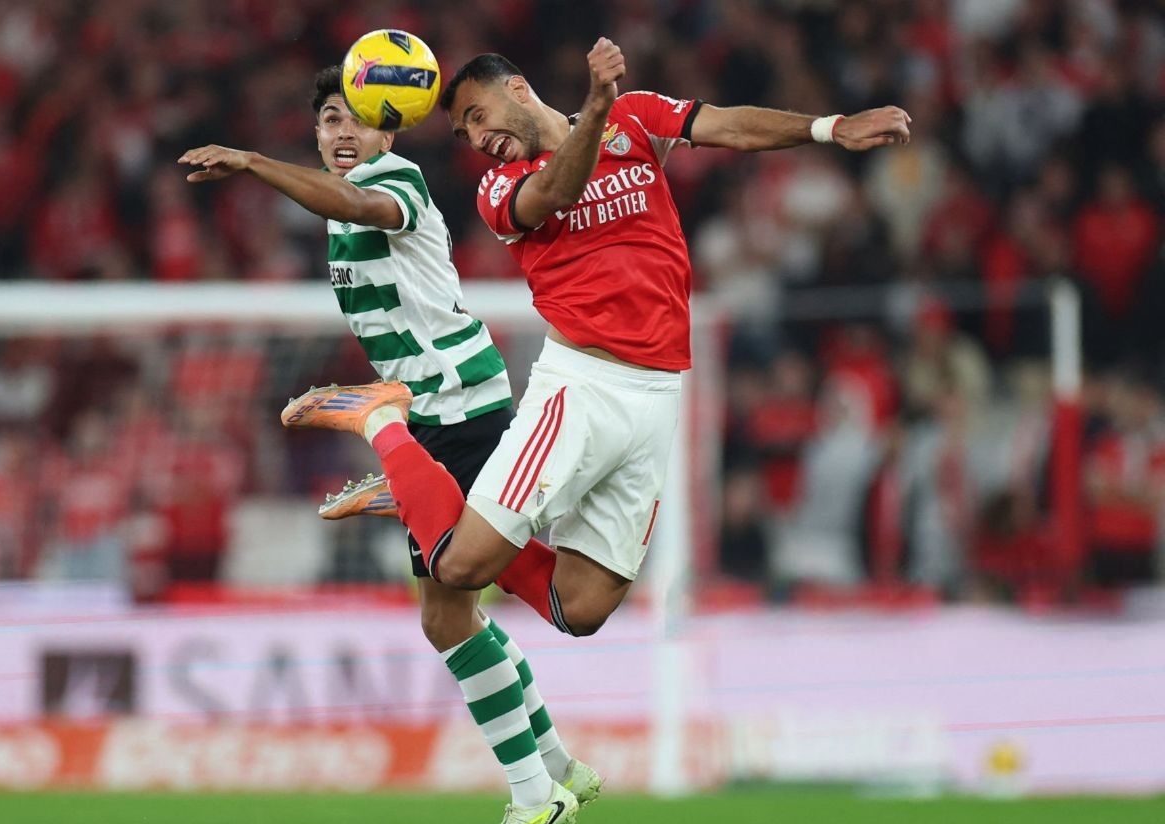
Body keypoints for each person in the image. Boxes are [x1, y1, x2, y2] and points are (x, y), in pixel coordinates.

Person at [285, 38, 910, 635]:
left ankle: (430, 495)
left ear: (517, 89)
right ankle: (384, 426)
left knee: (579, 609)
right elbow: (560, 187)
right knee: (460, 567)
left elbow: (729, 126)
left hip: (658, 394)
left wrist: (829, 128)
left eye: (477, 116)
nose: (477, 139)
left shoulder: (633, 119)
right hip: (580, 390)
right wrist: (596, 106)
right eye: (463, 135)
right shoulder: (498, 189)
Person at [178, 65, 596, 824]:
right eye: (330, 121)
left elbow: (357, 205)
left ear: (390, 128)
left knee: (449, 617)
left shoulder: (393, 180)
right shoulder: (346, 200)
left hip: (460, 412)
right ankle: (557, 768)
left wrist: (254, 163)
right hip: (437, 414)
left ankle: (533, 792)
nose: (343, 134)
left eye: (359, 121)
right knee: (454, 614)